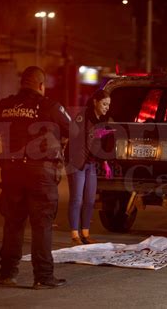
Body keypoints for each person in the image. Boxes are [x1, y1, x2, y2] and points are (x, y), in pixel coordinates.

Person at [0, 66, 72, 289]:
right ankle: (43, 277)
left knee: (13, 224)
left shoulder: (6, 105)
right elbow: (72, 129)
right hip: (40, 174)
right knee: (42, 225)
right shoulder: (50, 106)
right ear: (40, 86)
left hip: (11, 172)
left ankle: (7, 274)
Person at [65, 89, 113, 245]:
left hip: (91, 163)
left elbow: (101, 144)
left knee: (90, 199)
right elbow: (74, 136)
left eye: (108, 105)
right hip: (77, 162)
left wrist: (105, 163)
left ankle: (85, 233)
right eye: (104, 104)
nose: (106, 107)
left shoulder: (103, 120)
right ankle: (74, 235)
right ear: (95, 102)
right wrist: (93, 134)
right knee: (76, 199)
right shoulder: (82, 116)